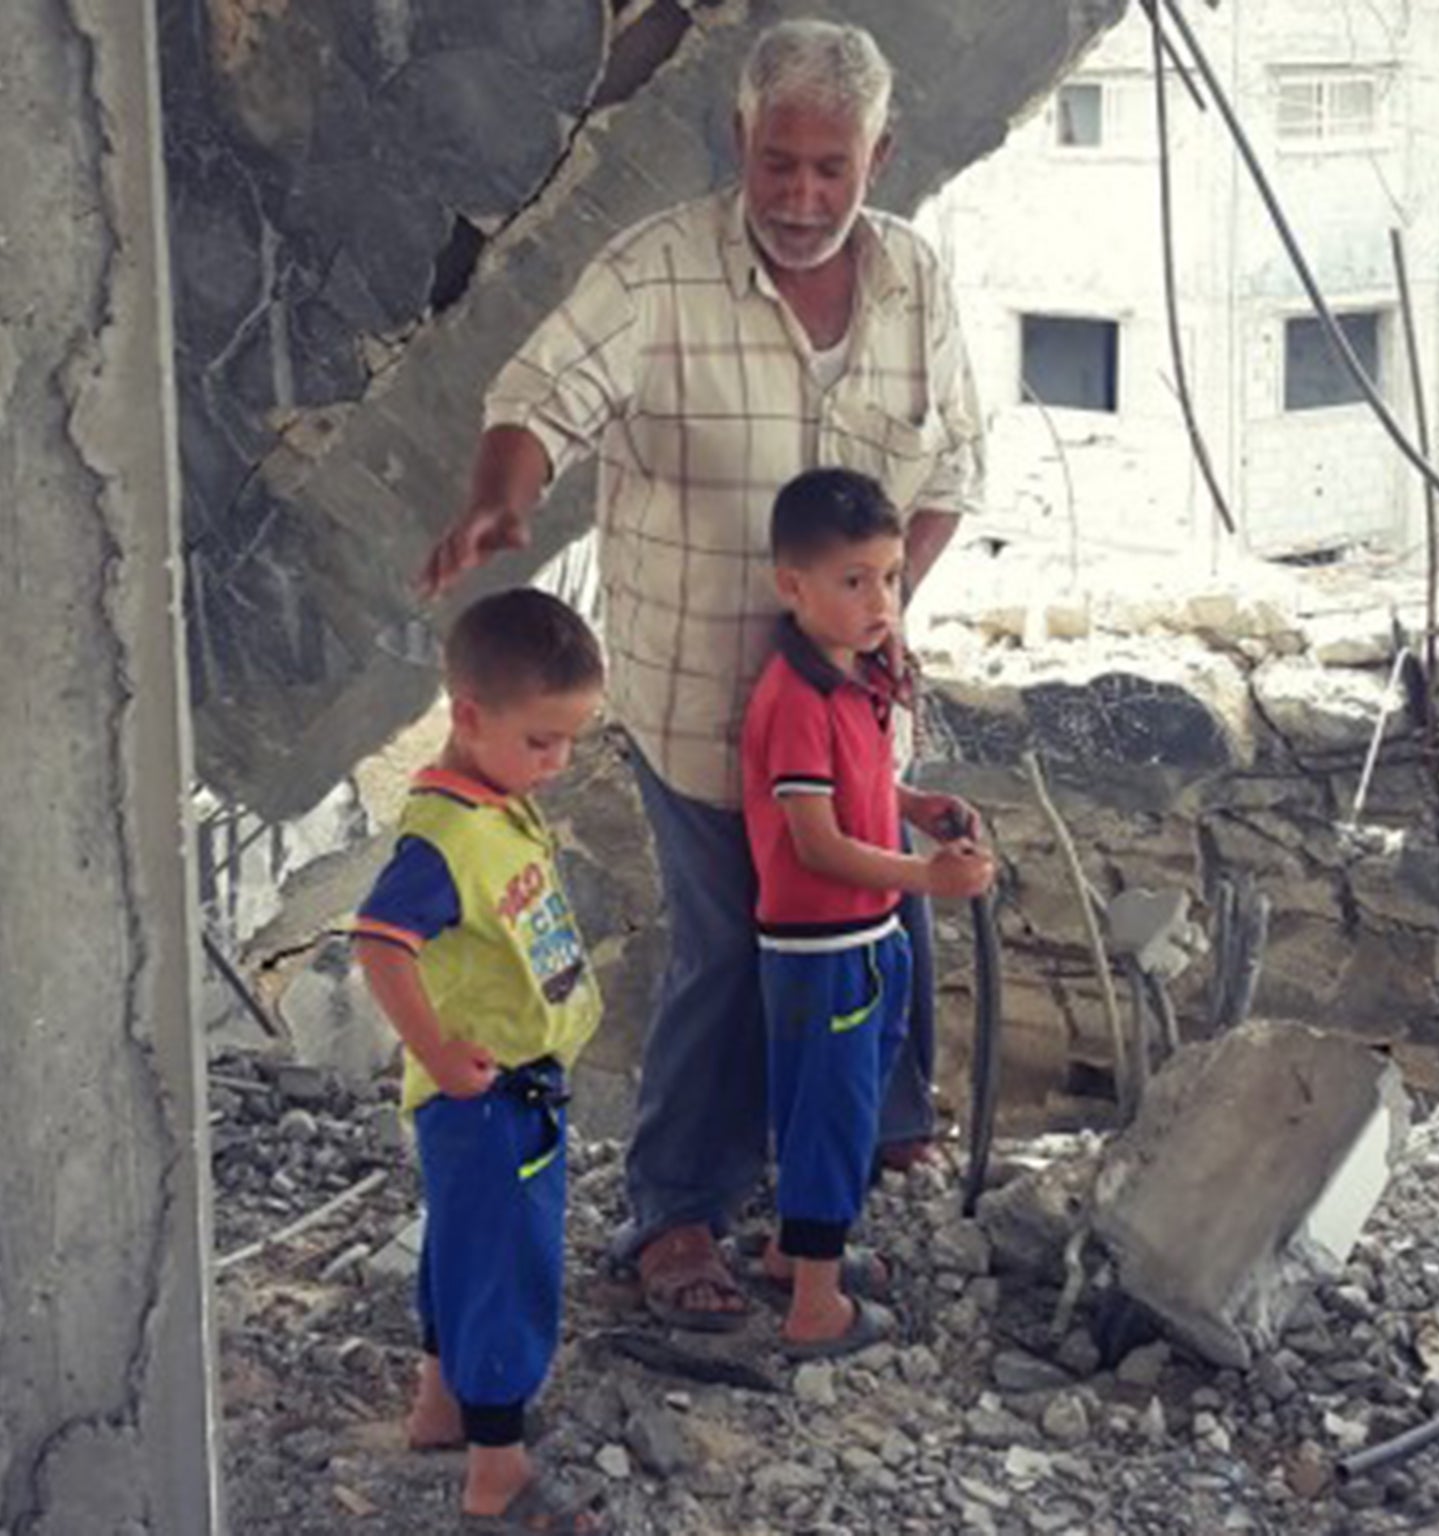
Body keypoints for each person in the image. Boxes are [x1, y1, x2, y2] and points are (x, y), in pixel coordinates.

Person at [420, 18, 984, 1331]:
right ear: (737, 141)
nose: (799, 197)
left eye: (828, 171)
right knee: (734, 952)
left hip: (849, 714)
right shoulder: (658, 273)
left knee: (878, 937)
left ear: (878, 157)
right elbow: (540, 394)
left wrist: (889, 617)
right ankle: (676, 1209)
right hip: (701, 703)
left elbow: (948, 478)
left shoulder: (914, 283)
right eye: (776, 164)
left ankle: (863, 1153)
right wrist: (504, 501)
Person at [351, 588, 611, 1535]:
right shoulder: (447, 836)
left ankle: (440, 1406)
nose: (559, 762)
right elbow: (380, 942)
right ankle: (497, 1472)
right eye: (542, 741)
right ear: (469, 716)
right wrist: (433, 1047)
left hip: (499, 1085)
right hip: (492, 1091)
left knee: (460, 1246)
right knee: (510, 1263)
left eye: (570, 739)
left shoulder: (489, 799)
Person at [743, 468, 994, 1356]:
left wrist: (913, 805)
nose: (878, 598)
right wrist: (927, 879)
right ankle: (815, 1306)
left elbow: (861, 792)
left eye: (888, 576)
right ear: (793, 586)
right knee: (829, 1114)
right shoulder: (796, 700)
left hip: (867, 937)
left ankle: (794, 1253)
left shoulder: (853, 679)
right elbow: (813, 842)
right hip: (822, 947)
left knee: (845, 1101)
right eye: (853, 581)